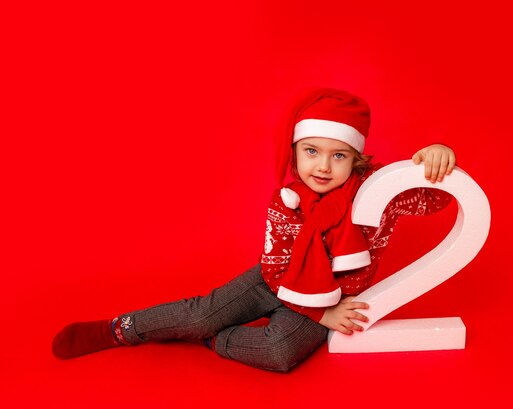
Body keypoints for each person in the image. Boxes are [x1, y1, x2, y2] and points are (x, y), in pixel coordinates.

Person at [52, 88, 456, 372]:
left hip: (335, 295)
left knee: (279, 351)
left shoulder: (375, 192)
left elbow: (434, 201)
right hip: (275, 282)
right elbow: (277, 270)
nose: (323, 166)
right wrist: (320, 311)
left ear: (356, 159)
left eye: (338, 156)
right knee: (202, 313)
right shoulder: (288, 201)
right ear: (294, 151)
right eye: (311, 152)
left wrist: (433, 160)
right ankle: (123, 329)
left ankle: (216, 340)